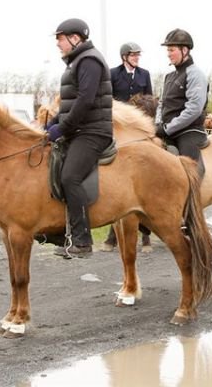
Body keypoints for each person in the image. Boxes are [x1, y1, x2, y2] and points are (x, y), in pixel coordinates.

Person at [46, 18, 114, 256]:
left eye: (60, 39)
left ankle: (83, 242)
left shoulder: (89, 61)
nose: (57, 44)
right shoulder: (76, 62)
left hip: (93, 132)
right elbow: (69, 103)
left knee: (70, 177)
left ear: (75, 39)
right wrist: (51, 125)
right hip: (79, 130)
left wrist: (61, 129)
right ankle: (60, 231)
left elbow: (85, 100)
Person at [103, 42, 153, 251]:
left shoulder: (145, 74)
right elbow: (108, 99)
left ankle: (147, 235)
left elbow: (150, 99)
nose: (136, 58)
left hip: (138, 125)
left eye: (138, 55)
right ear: (124, 56)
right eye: (133, 55)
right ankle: (112, 235)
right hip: (119, 124)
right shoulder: (113, 74)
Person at [155, 28, 208, 175]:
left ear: (184, 50)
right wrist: (158, 124)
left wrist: (167, 128)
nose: (168, 54)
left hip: (189, 131)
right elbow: (161, 103)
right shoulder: (169, 76)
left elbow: (194, 109)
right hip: (168, 131)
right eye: (168, 50)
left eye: (171, 50)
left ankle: (194, 196)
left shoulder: (195, 74)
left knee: (190, 173)